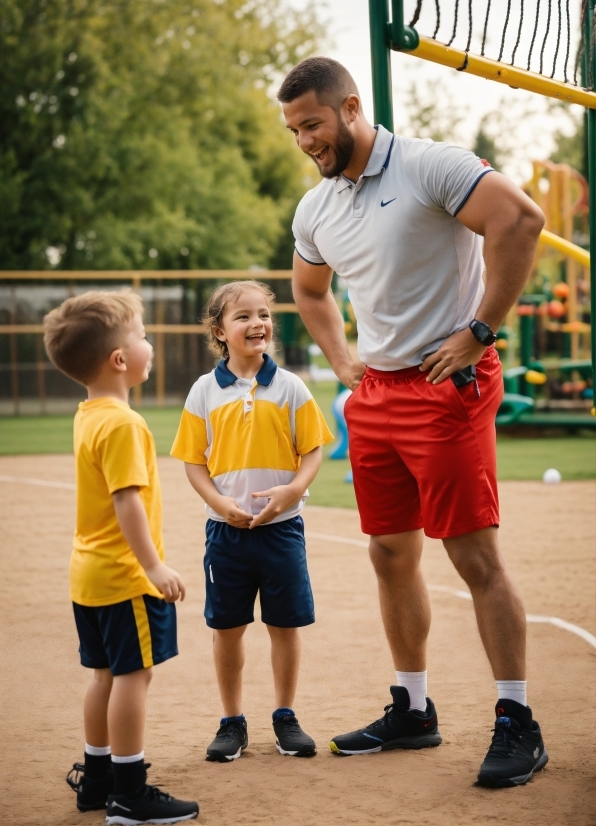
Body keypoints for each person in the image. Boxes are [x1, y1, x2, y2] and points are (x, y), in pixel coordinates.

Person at [278, 56, 548, 788]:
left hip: (447, 384)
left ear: (351, 108)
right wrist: (340, 357)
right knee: (390, 555)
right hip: (377, 397)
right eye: (294, 129)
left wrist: (482, 329)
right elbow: (308, 290)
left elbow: (521, 221)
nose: (305, 139)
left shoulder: (432, 167)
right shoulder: (317, 207)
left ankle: (517, 718)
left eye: (313, 123)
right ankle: (414, 709)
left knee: (473, 557)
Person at [43, 291, 199, 824]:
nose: (148, 343)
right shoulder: (125, 424)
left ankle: (97, 777)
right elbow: (126, 500)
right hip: (124, 577)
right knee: (135, 677)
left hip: (87, 574)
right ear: (119, 359)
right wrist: (153, 566)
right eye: (141, 334)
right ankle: (130, 792)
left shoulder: (90, 414)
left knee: (104, 677)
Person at [170, 280, 333, 762]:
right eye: (242, 316)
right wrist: (219, 505)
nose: (256, 322)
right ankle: (231, 721)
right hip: (225, 534)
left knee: (285, 626)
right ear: (219, 330)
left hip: (282, 531)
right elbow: (193, 463)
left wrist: (294, 490)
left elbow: (313, 449)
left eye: (263, 313)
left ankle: (285, 716)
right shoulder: (204, 391)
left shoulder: (290, 386)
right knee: (228, 628)